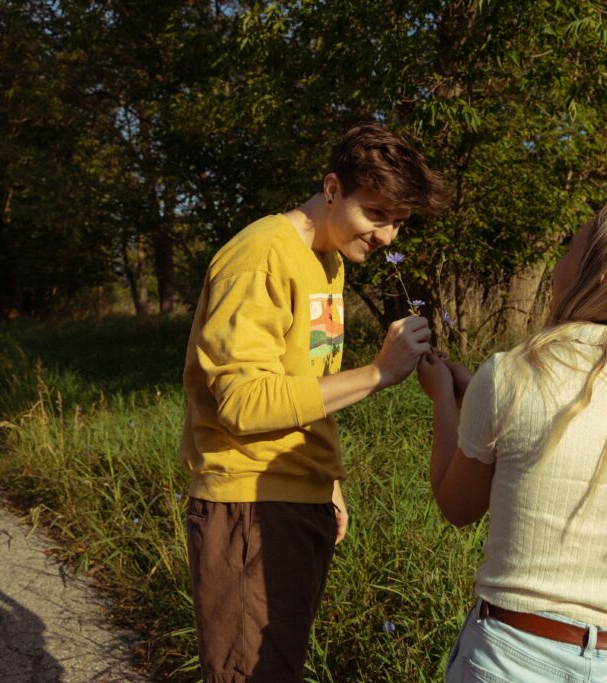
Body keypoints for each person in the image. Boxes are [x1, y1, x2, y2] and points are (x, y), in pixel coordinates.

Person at [417, 201, 607, 682]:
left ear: (597, 275)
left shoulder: (511, 374)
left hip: (515, 655)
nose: (557, 266)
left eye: (569, 250)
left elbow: (456, 507)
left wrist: (444, 400)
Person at [180, 122, 449, 683]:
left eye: (398, 222)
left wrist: (326, 481)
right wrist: (379, 373)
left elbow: (303, 380)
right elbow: (242, 403)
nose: (387, 237)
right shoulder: (261, 257)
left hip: (296, 498)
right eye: (376, 214)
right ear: (332, 188)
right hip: (249, 503)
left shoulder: (327, 260)